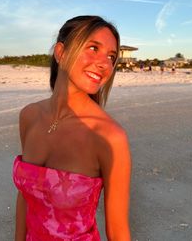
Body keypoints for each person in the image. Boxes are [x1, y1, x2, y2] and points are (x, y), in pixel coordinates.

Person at [13, 15, 131, 240]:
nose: (105, 63)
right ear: (61, 52)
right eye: (93, 48)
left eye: (111, 56)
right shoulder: (29, 116)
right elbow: (25, 196)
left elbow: (118, 232)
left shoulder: (109, 137)